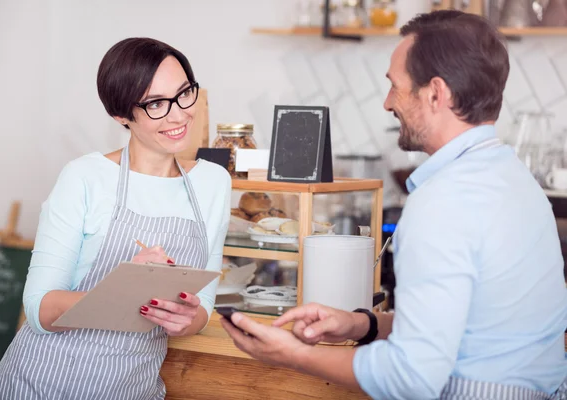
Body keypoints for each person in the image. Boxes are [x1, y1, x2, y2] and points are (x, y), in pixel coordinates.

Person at [221, 10, 567, 400]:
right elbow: (471, 327)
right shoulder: (517, 180)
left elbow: (409, 376)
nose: (387, 103)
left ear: (436, 93)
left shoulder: (442, 202)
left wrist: (292, 354)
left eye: (395, 86)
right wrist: (362, 325)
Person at [0, 37, 231, 400]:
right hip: (43, 383)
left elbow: (202, 307)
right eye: (156, 104)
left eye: (184, 94)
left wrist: (186, 320)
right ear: (121, 116)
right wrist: (123, 287)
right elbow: (39, 309)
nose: (179, 115)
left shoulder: (213, 183)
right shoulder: (84, 177)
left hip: (132, 388)